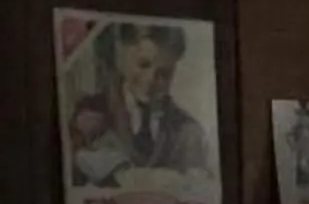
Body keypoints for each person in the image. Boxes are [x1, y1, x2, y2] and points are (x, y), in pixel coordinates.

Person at [71, 22, 211, 188]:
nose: (150, 80)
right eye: (143, 65)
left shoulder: (187, 131)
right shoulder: (91, 111)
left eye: (164, 74)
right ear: (122, 57)